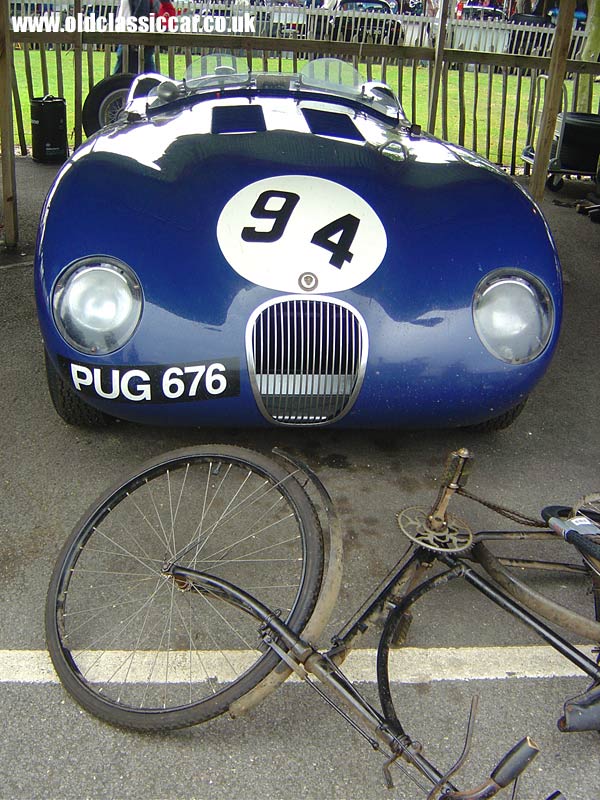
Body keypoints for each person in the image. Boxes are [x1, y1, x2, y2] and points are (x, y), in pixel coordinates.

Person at [113, 0, 160, 75]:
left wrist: (136, 38)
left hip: (133, 39)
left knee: (118, 79)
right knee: (149, 76)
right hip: (129, 37)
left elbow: (142, 13)